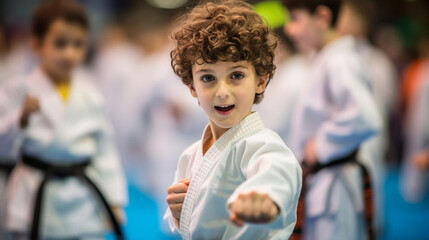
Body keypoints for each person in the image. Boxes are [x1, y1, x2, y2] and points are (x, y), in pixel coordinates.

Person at [163, 1, 302, 239]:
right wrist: (178, 209)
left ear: (260, 80)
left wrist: (266, 200)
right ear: (192, 87)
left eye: (236, 75)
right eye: (208, 78)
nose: (222, 91)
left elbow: (277, 173)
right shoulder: (191, 154)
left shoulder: (263, 146)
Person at [0, 0, 127, 239]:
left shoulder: (90, 92)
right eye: (60, 43)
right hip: (35, 197)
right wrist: (20, 119)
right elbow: (3, 149)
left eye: (78, 44)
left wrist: (113, 201)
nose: (69, 53)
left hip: (83, 197)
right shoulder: (17, 90)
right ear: (36, 44)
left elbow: (105, 149)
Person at [282, 0, 382, 239]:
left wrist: (321, 145)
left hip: (335, 186)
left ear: (322, 17)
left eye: (295, 19)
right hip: (325, 182)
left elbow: (366, 119)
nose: (289, 29)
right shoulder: (326, 59)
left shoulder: (340, 61)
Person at [337, 0, 398, 234]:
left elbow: (386, 106)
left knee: (369, 208)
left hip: (369, 144)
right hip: (340, 152)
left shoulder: (378, 63)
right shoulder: (330, 57)